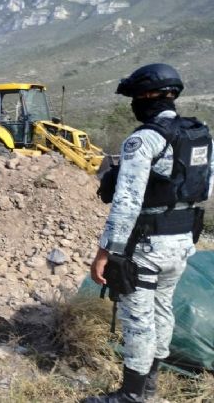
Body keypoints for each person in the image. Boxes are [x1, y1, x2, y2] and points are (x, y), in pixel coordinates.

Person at [86, 64, 214, 403]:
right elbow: (205, 188)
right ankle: (151, 388)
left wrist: (105, 253)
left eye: (134, 98)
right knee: (162, 310)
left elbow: (126, 204)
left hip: (147, 246)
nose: (133, 105)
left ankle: (131, 395)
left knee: (138, 319)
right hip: (183, 241)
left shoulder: (145, 139)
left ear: (146, 97)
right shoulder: (199, 134)